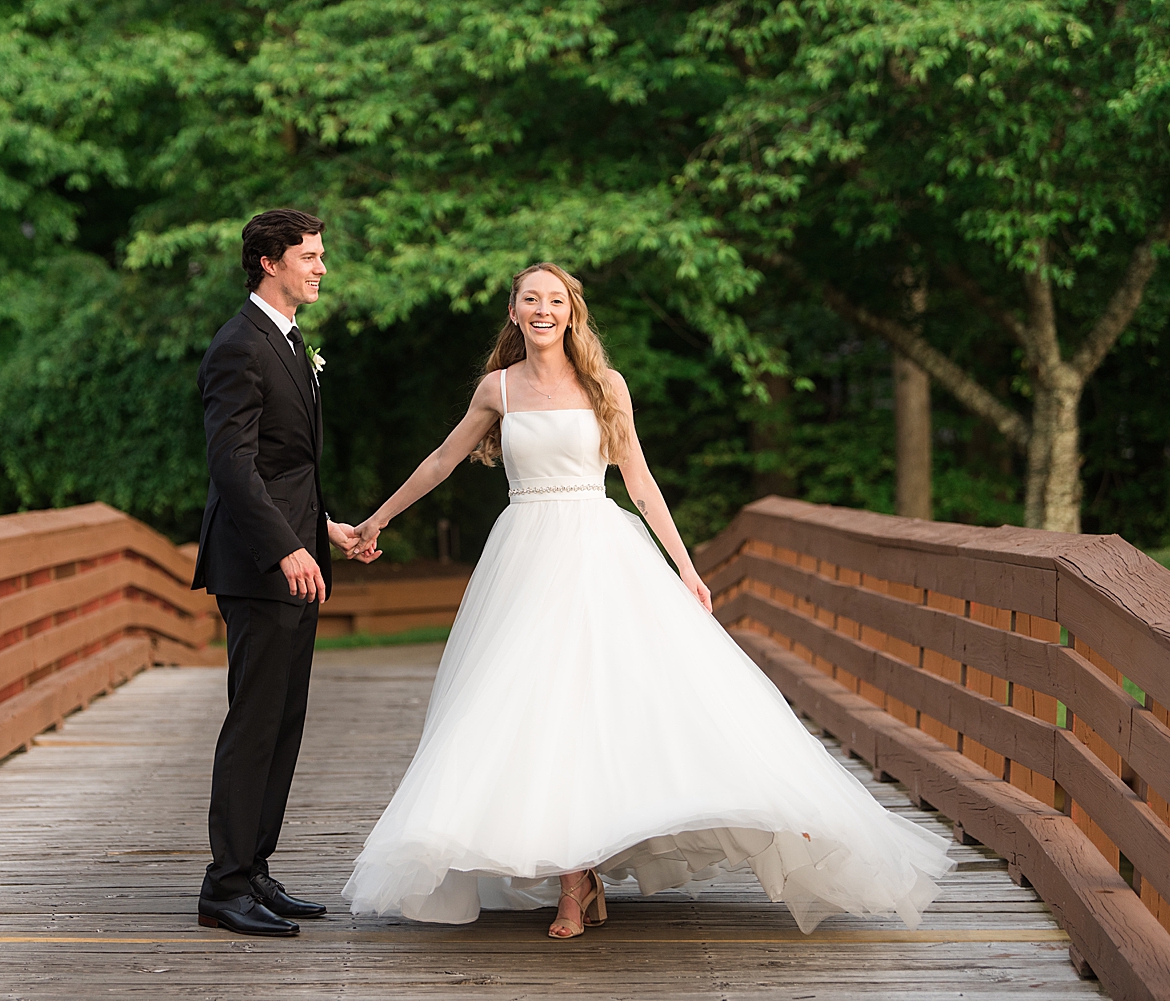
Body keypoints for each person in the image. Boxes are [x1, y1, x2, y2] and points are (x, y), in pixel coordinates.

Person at [341, 262, 954, 939]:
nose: (543, 310)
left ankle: (593, 879)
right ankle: (575, 880)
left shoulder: (607, 386)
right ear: (514, 313)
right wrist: (380, 518)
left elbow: (639, 481)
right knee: (537, 710)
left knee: (634, 702)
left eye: (555, 300)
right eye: (529, 300)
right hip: (524, 555)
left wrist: (685, 567)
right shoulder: (499, 389)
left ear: (571, 312)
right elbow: (440, 459)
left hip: (600, 549)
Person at [193, 208, 379, 937]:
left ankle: (255, 870)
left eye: (321, 254)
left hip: (293, 553)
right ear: (269, 262)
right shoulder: (237, 347)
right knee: (254, 723)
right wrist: (283, 545)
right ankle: (224, 885)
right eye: (309, 255)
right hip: (257, 563)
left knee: (284, 722)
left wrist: (321, 529)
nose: (322, 266)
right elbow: (233, 466)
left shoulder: (290, 342)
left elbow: (286, 464)